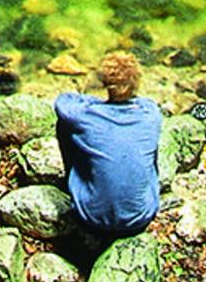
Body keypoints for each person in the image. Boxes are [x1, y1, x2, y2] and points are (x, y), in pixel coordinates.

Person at [54, 50, 162, 239]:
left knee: (64, 125)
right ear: (136, 82)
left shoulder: (84, 115)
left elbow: (62, 101)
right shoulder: (151, 113)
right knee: (144, 142)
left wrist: (92, 101)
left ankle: (76, 180)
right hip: (140, 218)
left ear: (105, 82)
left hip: (91, 218)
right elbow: (146, 103)